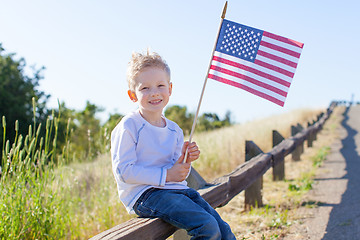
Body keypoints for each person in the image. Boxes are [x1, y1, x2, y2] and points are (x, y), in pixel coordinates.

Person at [111, 49, 236, 240]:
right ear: (132, 95)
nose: (154, 93)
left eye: (160, 85)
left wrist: (185, 160)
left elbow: (179, 174)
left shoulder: (174, 130)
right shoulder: (130, 125)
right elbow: (124, 171)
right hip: (145, 195)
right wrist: (167, 174)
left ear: (170, 89)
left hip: (176, 190)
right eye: (145, 88)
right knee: (207, 227)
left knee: (223, 230)